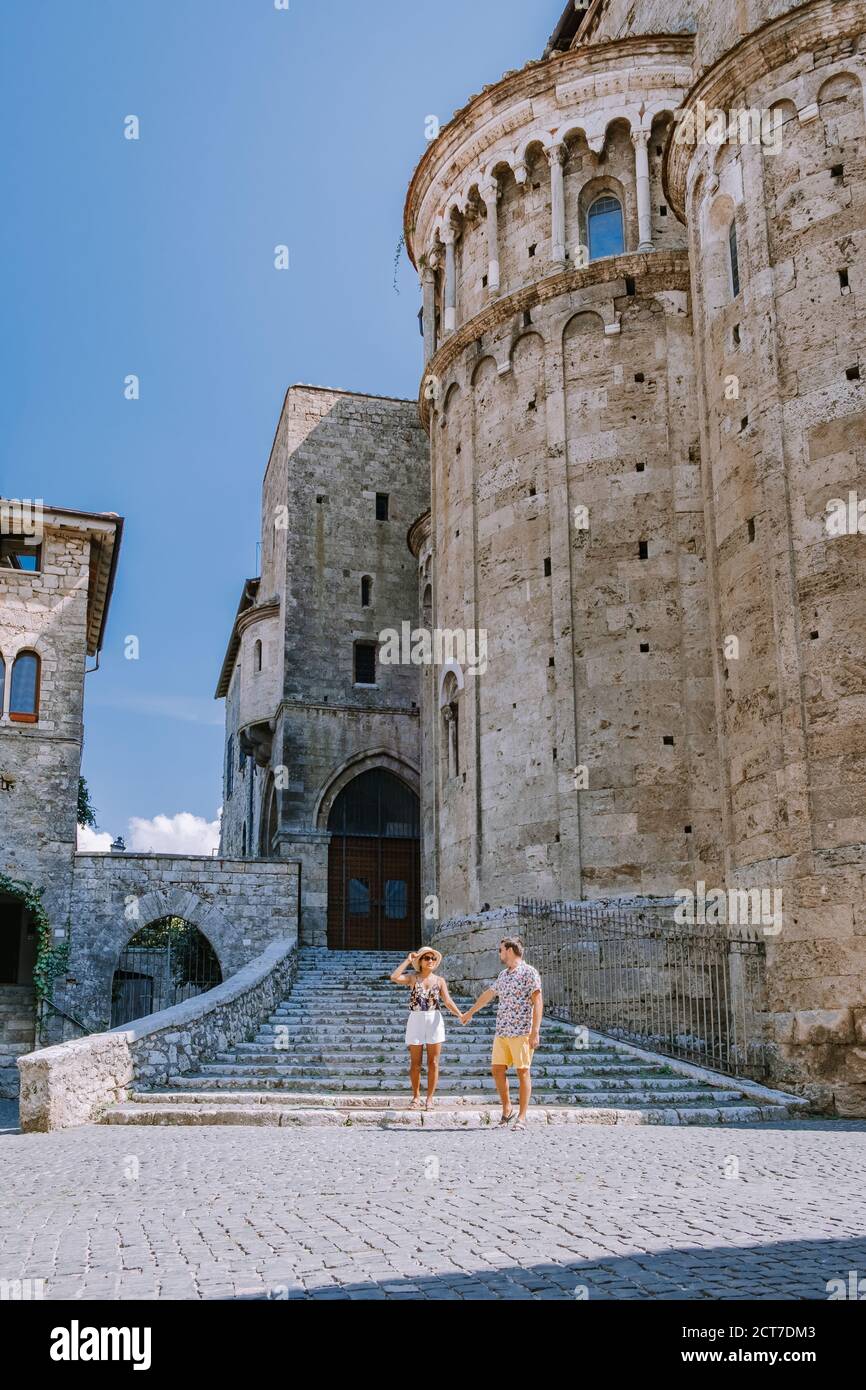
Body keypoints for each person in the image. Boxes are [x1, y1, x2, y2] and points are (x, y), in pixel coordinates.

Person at [461, 937, 542, 1130]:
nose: (499, 953)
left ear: (510, 951)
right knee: (497, 1070)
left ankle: (521, 1118)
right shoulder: (504, 975)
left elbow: (538, 1002)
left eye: (500, 950)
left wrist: (535, 1031)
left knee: (523, 1071)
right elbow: (488, 995)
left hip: (522, 1031)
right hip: (502, 1031)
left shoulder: (529, 972)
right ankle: (507, 1109)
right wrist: (469, 1013)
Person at [389, 948, 465, 1110]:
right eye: (426, 958)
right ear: (421, 962)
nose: (430, 960)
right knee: (415, 1064)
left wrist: (460, 1015)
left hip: (434, 1020)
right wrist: (408, 960)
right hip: (416, 1019)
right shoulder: (412, 978)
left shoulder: (440, 980)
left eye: (432, 958)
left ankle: (429, 1098)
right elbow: (394, 977)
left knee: (434, 1062)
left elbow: (448, 1001)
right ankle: (416, 1097)